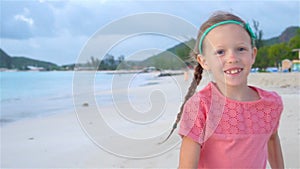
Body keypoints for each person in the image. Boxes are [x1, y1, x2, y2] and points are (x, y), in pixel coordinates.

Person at [167, 11, 284, 168]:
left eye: (241, 49)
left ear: (253, 54)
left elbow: (272, 138)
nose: (232, 58)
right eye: (220, 52)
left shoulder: (271, 104)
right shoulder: (201, 107)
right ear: (204, 61)